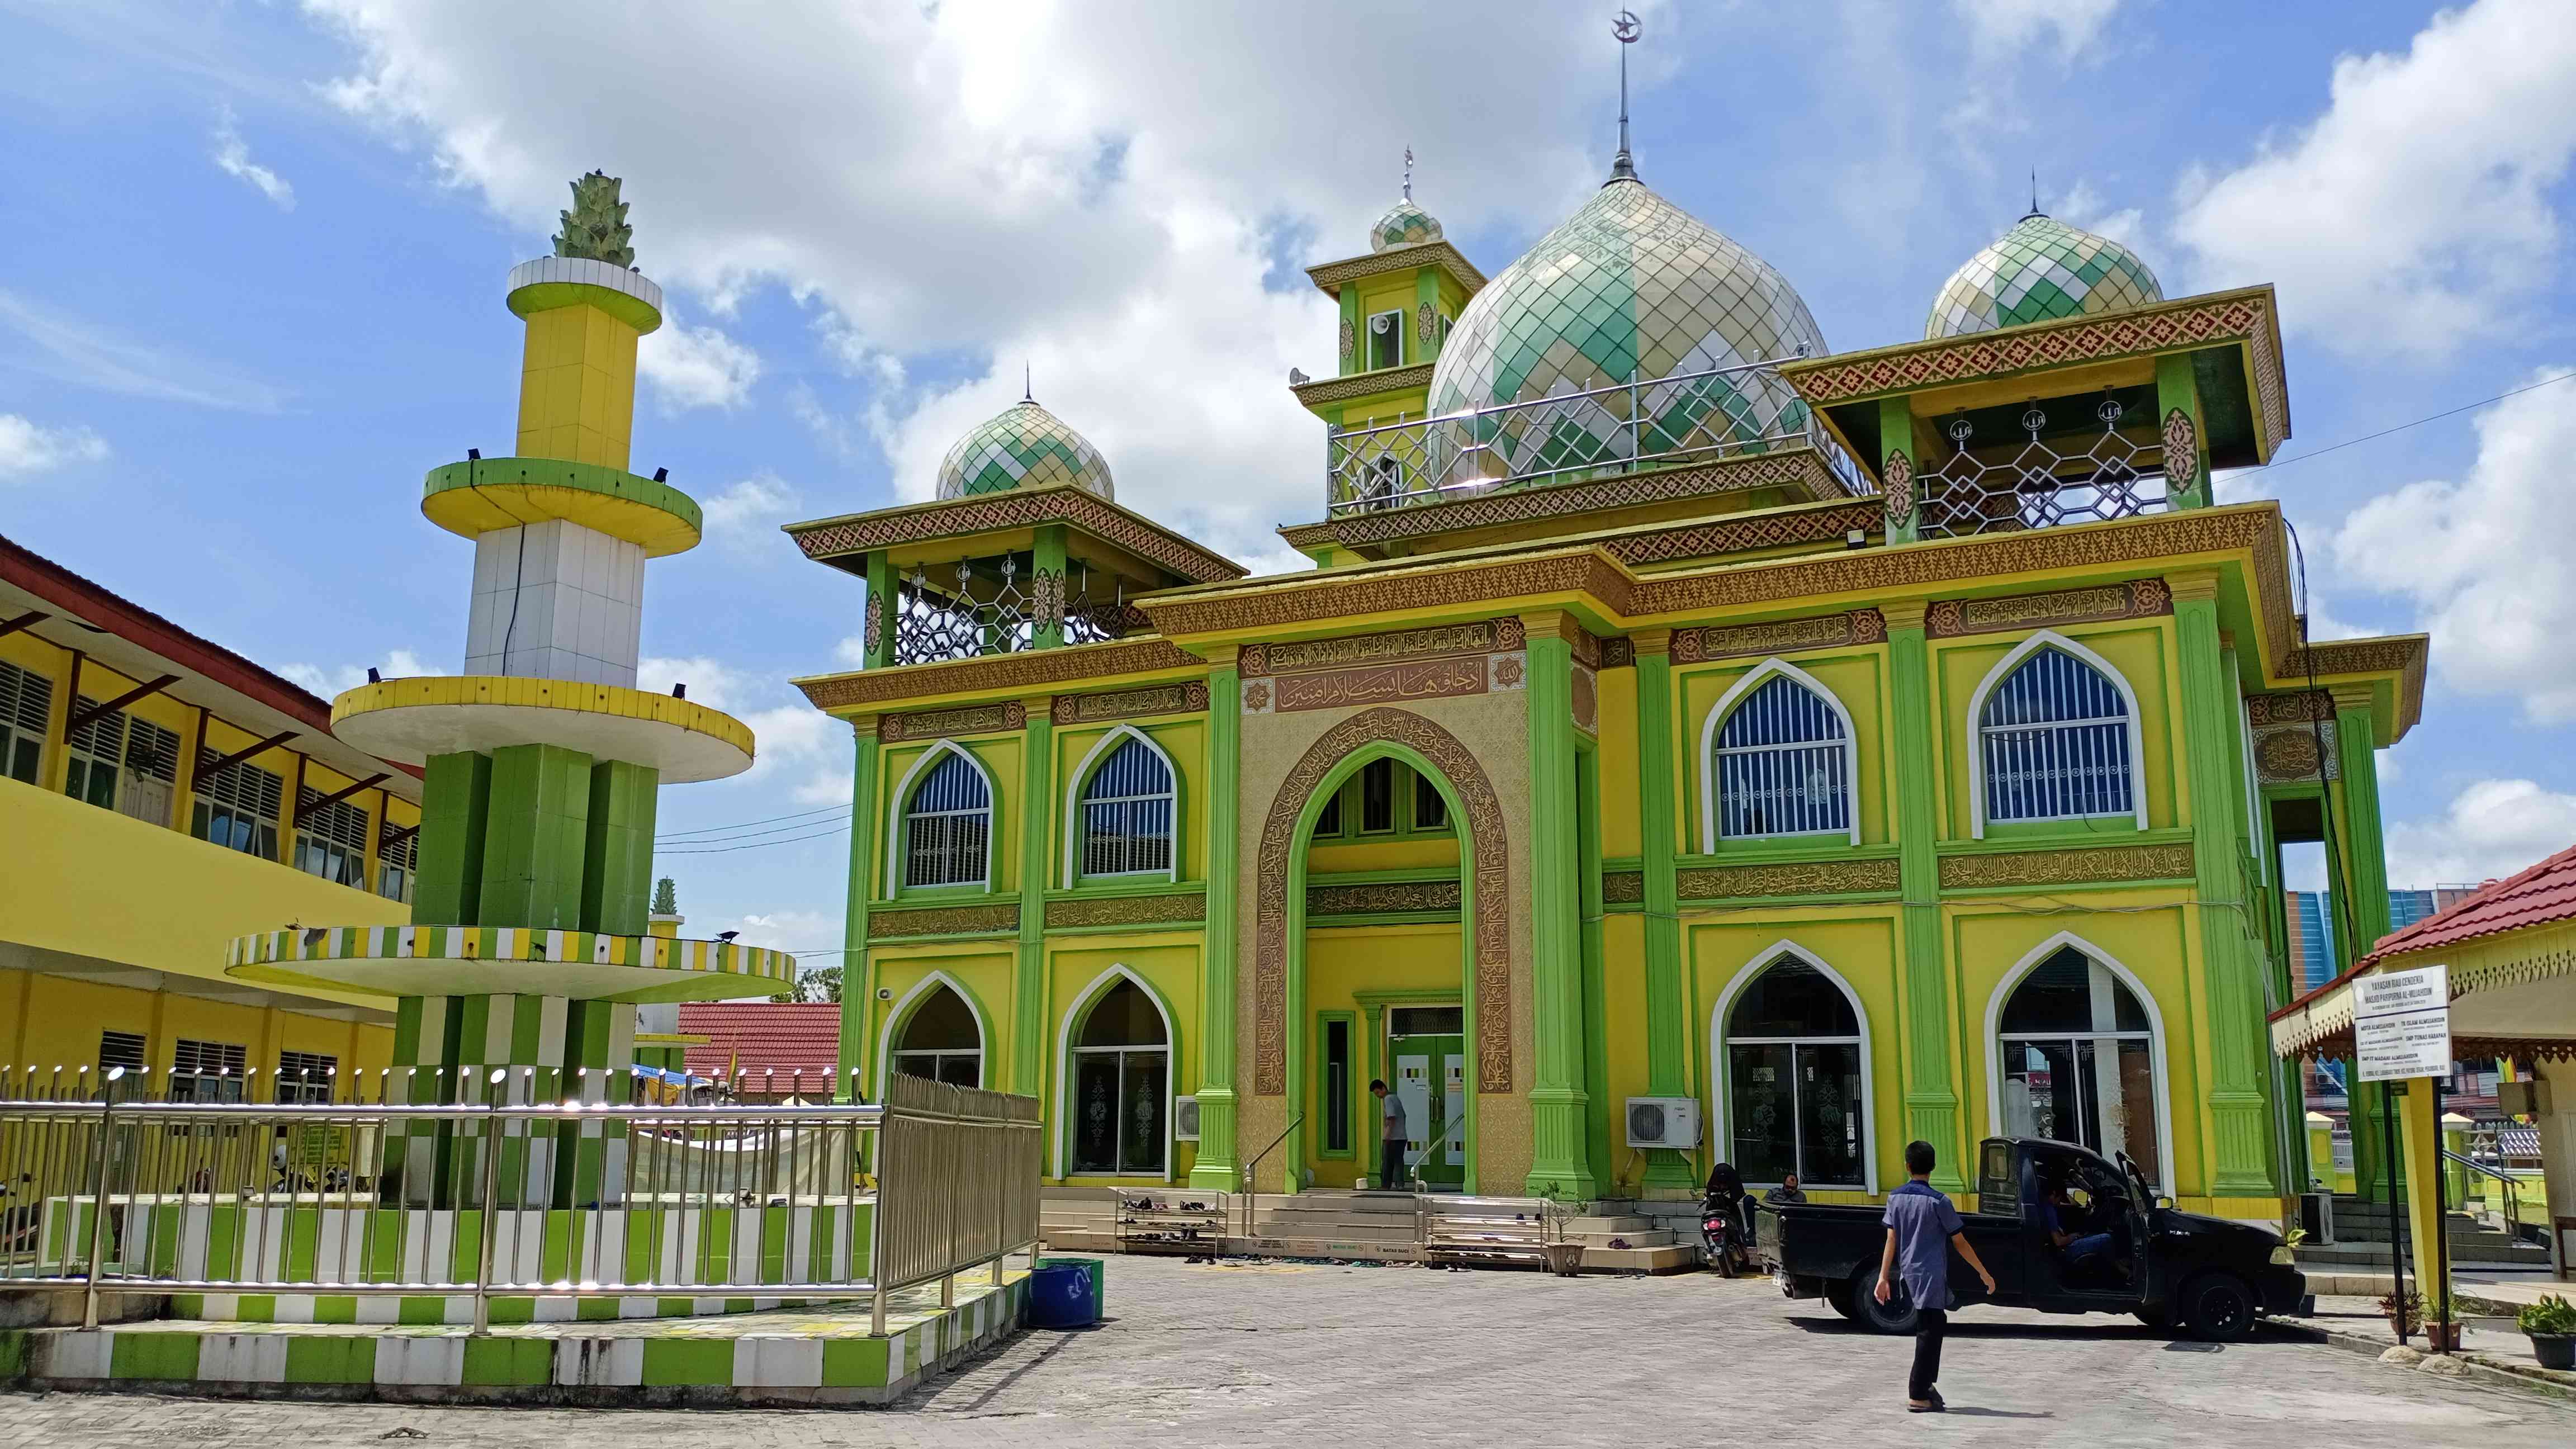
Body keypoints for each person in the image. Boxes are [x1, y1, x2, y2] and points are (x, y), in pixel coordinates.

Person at [1876, 1139, 1996, 1414]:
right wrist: (1984, 1272)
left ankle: (1927, 1387)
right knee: (1929, 1332)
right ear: (1932, 1167)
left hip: (1909, 1273)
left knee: (1932, 1326)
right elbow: (1960, 1242)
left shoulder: (1895, 1198)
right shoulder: (1940, 1201)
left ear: (1907, 1166)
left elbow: (1891, 1239)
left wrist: (1884, 1277)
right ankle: (1918, 1392)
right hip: (1931, 1275)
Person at [1371, 1079, 1407, 1190]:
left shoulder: (1388, 1099)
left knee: (1387, 1162)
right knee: (1398, 1161)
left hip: (1392, 1137)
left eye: (1378, 1093)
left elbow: (1391, 1118)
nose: (1378, 1096)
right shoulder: (1395, 1097)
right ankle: (1400, 1185)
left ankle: (1385, 1186)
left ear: (1383, 1089)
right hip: (1402, 1136)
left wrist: (1387, 1135)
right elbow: (1404, 1115)